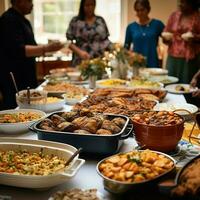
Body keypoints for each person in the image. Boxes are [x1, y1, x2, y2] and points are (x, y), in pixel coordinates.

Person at [0, 0, 64, 109]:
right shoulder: (8, 19)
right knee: (15, 110)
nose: (32, 4)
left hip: (26, 74)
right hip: (15, 76)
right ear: (18, 2)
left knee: (31, 110)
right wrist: (47, 48)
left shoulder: (23, 20)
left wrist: (47, 48)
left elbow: (31, 46)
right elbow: (18, 50)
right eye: (29, 1)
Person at [162, 0, 200, 84]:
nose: (180, 4)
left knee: (186, 85)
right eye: (180, 1)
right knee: (170, 83)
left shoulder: (197, 17)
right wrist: (165, 37)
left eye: (184, 2)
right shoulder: (174, 15)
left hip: (189, 59)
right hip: (173, 55)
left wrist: (194, 37)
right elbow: (166, 33)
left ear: (191, 3)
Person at [66, 0, 111, 67]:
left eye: (92, 5)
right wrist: (80, 52)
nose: (90, 8)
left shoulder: (100, 20)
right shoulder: (75, 21)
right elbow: (68, 42)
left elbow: (106, 40)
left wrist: (116, 49)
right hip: (80, 60)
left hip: (98, 61)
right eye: (87, 5)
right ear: (82, 6)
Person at [124, 0, 164, 68]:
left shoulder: (157, 24)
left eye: (142, 10)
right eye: (137, 10)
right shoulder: (131, 27)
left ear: (148, 10)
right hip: (136, 65)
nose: (140, 13)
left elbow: (167, 38)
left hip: (153, 63)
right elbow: (125, 48)